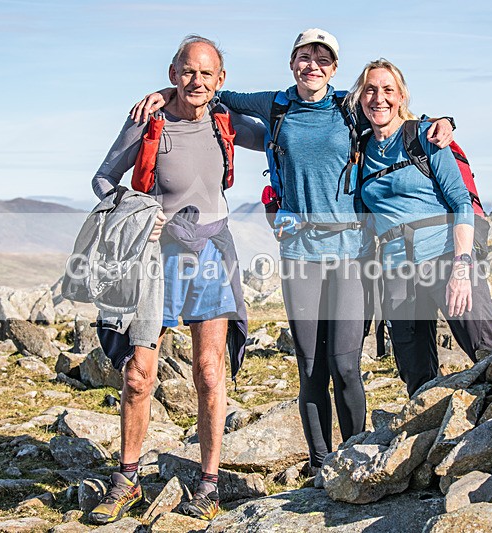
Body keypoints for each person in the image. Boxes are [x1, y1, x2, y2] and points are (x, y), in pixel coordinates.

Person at [131, 29, 455, 472]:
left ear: (335, 68)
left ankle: (353, 457)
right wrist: (167, 91)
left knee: (345, 366)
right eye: (305, 57)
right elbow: (212, 94)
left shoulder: (348, 106)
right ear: (292, 62)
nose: (313, 66)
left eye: (323, 59)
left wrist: (443, 120)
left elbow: (393, 115)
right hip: (299, 254)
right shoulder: (276, 105)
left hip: (352, 255)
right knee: (310, 370)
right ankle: (322, 466)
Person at [89, 35, 264, 524]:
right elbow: (103, 178)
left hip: (212, 252)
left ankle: (208, 484)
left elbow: (282, 128)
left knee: (209, 374)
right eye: (188, 72)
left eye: (207, 73)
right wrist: (139, 212)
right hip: (154, 259)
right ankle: (127, 479)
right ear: (172, 72)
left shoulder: (226, 123)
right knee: (138, 376)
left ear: (221, 80)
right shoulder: (148, 120)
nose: (197, 81)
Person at [346, 59, 492, 397]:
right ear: (360, 99)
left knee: (487, 351)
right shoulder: (361, 149)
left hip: (445, 257)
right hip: (396, 272)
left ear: (402, 97)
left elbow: (460, 203)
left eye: (388, 90)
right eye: (370, 90)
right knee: (416, 376)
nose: (379, 98)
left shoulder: (425, 137)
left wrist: (462, 268)